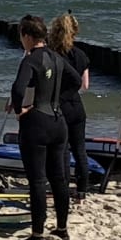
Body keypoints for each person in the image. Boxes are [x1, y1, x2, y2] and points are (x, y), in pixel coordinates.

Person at [9, 13, 71, 240]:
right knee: (59, 178)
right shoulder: (57, 57)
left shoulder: (30, 60)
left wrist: (20, 110)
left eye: (21, 36)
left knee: (37, 180)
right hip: (58, 121)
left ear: (27, 36)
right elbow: (75, 81)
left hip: (37, 124)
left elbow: (17, 89)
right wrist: (56, 99)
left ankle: (37, 234)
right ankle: (62, 228)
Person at [50, 12, 93, 202]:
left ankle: (64, 186)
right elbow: (85, 85)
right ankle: (82, 189)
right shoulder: (81, 55)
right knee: (79, 149)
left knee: (62, 150)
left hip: (59, 105)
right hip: (77, 105)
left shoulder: (52, 54)